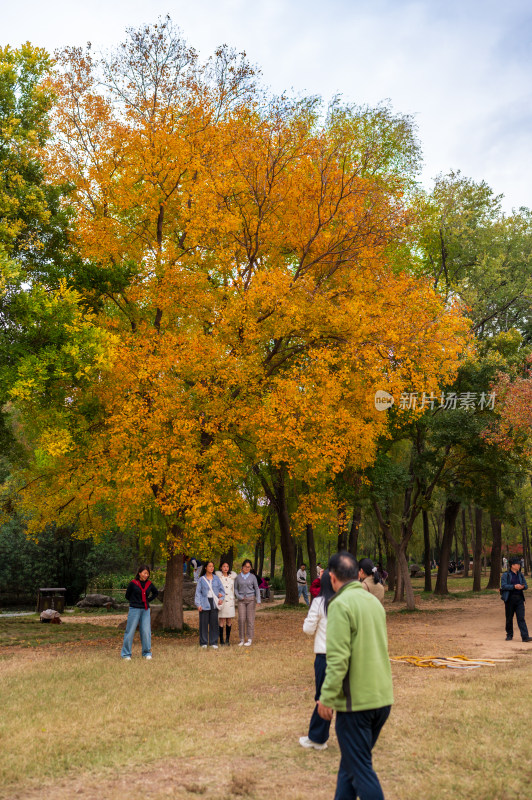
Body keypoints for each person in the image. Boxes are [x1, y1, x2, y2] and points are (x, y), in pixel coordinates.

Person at [317, 551, 393, 800]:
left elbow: (338, 659)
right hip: (382, 699)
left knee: (360, 768)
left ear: (332, 577)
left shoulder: (340, 604)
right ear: (355, 574)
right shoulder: (373, 602)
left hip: (357, 705)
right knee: (350, 764)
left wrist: (326, 697)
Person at [300, 569, 335, 750]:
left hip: (324, 655)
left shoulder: (320, 602)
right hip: (343, 655)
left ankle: (317, 738)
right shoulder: (343, 601)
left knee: (323, 697)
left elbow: (308, 629)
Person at [121, 564, 158, 660]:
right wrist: (135, 601)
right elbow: (127, 596)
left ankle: (147, 653)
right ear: (139, 573)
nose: (146, 575)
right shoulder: (133, 583)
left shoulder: (149, 584)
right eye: (145, 573)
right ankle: (126, 654)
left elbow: (156, 592)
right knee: (130, 631)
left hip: (145, 610)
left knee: (146, 631)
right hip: (134, 609)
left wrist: (148, 600)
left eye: (148, 573)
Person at [195, 561, 225, 649]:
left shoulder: (216, 579)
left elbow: (222, 591)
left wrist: (221, 599)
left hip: (214, 602)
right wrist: (198, 604)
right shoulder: (201, 579)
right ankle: (203, 642)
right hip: (204, 601)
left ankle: (213, 642)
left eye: (213, 566)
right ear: (205, 568)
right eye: (210, 566)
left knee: (214, 623)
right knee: (203, 623)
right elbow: (198, 593)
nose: (212, 568)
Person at [500, 557, 531, 642]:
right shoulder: (506, 575)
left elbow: (526, 585)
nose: (519, 566)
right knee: (509, 618)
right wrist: (514, 586)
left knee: (521, 618)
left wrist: (523, 586)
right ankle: (509, 635)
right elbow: (503, 586)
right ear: (512, 565)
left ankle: (525, 637)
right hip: (510, 599)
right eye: (517, 564)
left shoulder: (520, 575)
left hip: (520, 599)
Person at [234, 559, 261, 646]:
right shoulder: (238, 577)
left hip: (251, 600)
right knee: (241, 619)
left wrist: (258, 600)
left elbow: (256, 588)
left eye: (249, 567)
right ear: (242, 567)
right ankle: (241, 639)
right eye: (245, 566)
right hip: (241, 600)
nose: (247, 568)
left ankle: (249, 639)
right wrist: (238, 596)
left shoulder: (253, 577)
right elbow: (235, 589)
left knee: (250, 619)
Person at [216, 560, 237, 645]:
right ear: (221, 567)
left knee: (229, 620)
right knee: (221, 620)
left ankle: (227, 640)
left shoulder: (232, 578)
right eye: (224, 566)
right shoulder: (218, 577)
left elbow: (233, 589)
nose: (225, 568)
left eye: (227, 567)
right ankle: (221, 640)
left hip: (230, 600)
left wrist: (233, 598)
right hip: (222, 600)